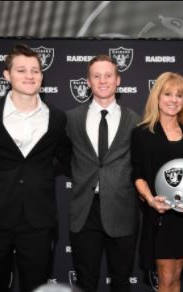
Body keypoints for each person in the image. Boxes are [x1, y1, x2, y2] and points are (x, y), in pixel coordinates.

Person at [0, 43, 71, 292]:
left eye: (35, 70)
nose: (30, 76)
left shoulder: (57, 118)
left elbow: (70, 159)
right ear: (7, 75)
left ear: (42, 75)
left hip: (38, 222)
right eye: (22, 70)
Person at [66, 54, 140, 292]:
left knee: (121, 281)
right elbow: (65, 157)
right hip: (84, 211)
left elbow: (140, 164)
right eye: (96, 76)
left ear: (118, 80)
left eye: (108, 75)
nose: (103, 80)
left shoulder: (136, 121)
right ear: (88, 82)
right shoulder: (71, 119)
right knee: (85, 282)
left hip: (122, 209)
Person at [131, 72, 183, 292]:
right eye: (168, 94)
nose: (174, 100)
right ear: (157, 97)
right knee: (165, 277)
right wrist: (150, 200)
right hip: (160, 214)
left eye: (179, 95)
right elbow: (138, 174)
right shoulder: (142, 133)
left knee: (176, 276)